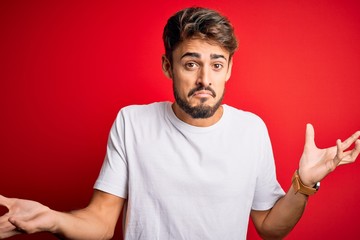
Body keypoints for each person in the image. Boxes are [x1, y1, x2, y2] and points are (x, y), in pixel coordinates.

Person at [0, 7, 359, 240]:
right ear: (168, 67)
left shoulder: (251, 130)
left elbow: (270, 227)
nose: (205, 78)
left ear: (229, 69)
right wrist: (51, 219)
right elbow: (101, 221)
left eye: (216, 64)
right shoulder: (133, 122)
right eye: (191, 64)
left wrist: (304, 185)